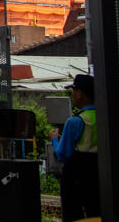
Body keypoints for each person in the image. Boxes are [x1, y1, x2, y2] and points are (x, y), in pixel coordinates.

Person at [49, 74, 99, 222]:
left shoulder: (75, 121)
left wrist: (54, 140)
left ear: (79, 94)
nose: (72, 95)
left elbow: (63, 154)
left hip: (76, 179)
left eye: (73, 91)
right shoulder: (105, 116)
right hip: (99, 177)